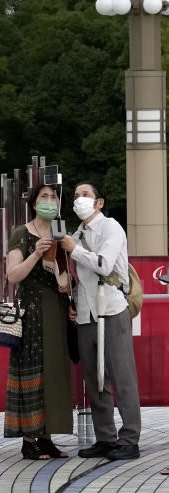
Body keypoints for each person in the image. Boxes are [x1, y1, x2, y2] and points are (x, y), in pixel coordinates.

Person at [61, 182, 141, 460]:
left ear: (99, 203)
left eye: (85, 195)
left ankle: (130, 439)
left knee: (122, 376)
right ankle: (105, 438)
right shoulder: (77, 233)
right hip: (86, 312)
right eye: (75, 196)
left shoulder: (111, 228)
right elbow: (80, 278)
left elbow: (105, 265)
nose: (79, 200)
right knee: (95, 378)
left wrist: (74, 249)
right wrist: (72, 302)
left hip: (112, 308)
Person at [4, 183, 72, 460]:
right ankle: (28, 438)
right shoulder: (21, 233)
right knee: (32, 368)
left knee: (54, 370)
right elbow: (13, 275)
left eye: (54, 197)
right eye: (44, 196)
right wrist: (35, 253)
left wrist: (68, 291)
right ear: (33, 203)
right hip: (30, 308)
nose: (49, 201)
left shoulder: (61, 232)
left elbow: (68, 272)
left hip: (56, 306)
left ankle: (47, 436)